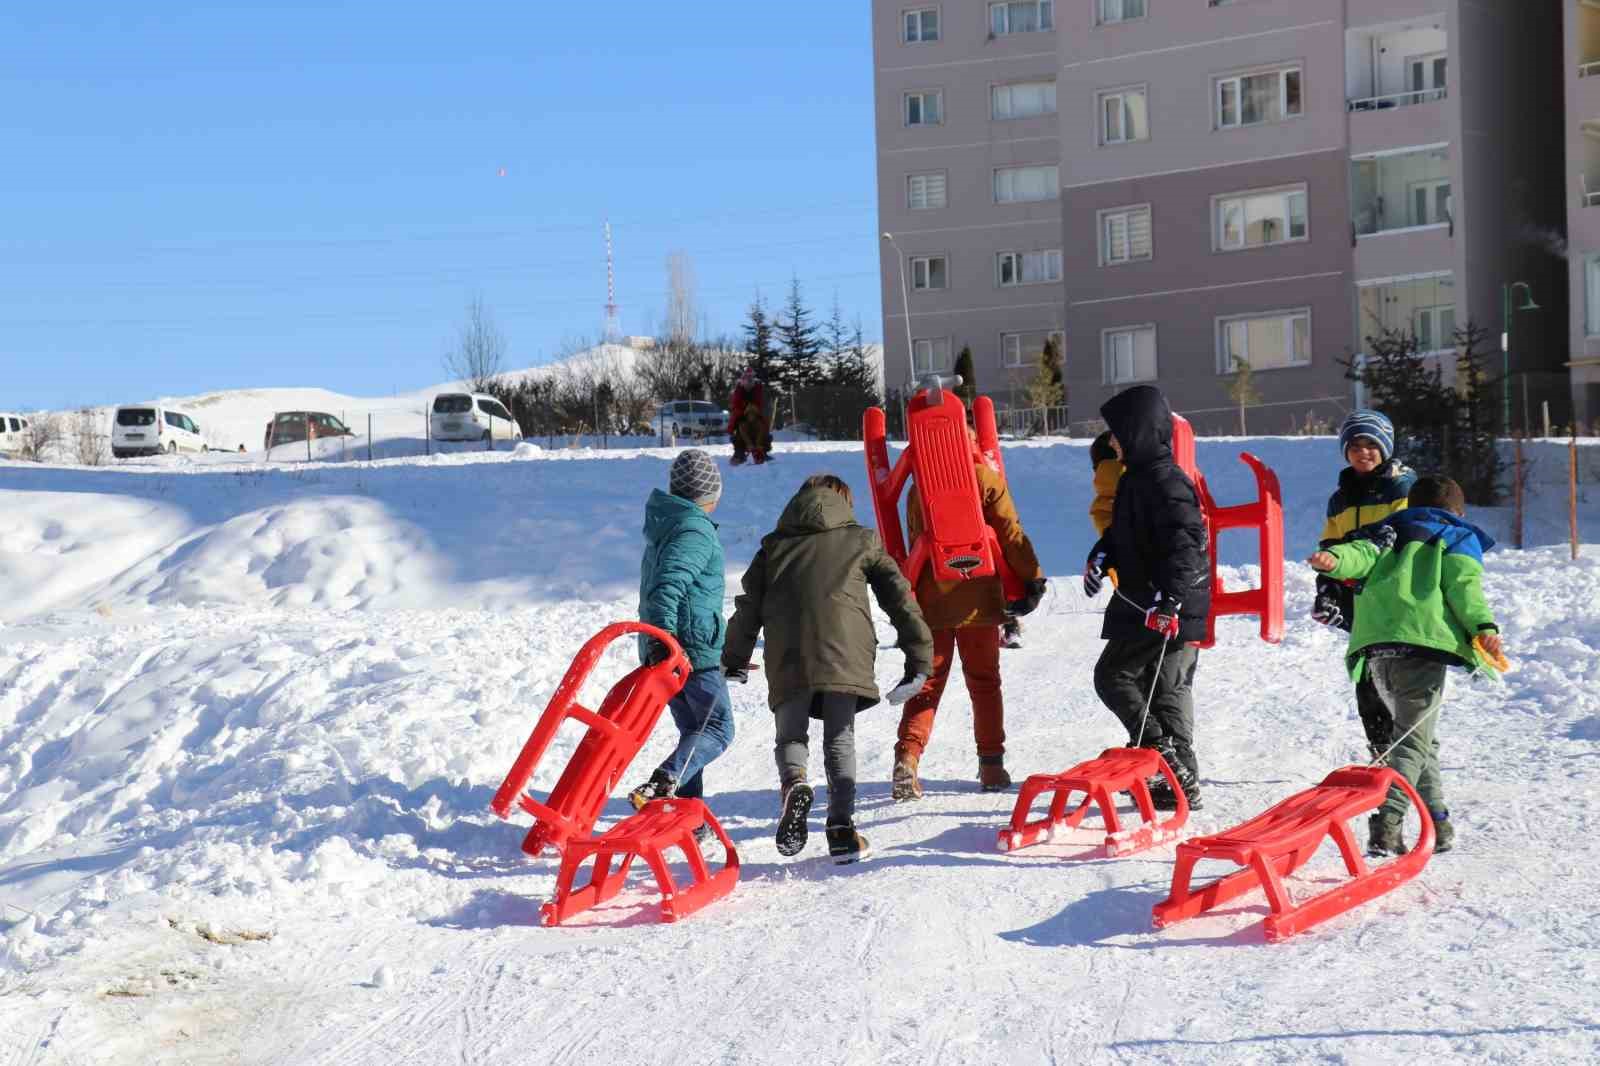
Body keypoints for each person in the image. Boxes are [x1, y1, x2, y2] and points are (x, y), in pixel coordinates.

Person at [723, 474, 933, 864]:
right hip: (845, 652)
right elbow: (900, 599)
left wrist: (734, 660)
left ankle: (795, 783)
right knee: (840, 740)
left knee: (791, 737)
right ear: (844, 503)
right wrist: (918, 658)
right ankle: (841, 829)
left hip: (788, 656)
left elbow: (748, 605)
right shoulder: (861, 540)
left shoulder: (773, 547)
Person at [1308, 475, 1502, 857]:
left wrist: (1333, 560)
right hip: (1422, 648)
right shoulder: (1455, 537)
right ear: (1458, 512)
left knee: (1420, 738)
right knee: (1412, 741)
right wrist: (1484, 628)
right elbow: (1464, 589)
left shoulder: (1387, 532)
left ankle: (1438, 821)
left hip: (1377, 650)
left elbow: (1358, 553)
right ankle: (1388, 823)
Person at [893, 425, 1047, 800]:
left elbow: (913, 539)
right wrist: (1032, 578)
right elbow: (1011, 532)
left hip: (933, 602)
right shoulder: (984, 478)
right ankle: (992, 766)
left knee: (928, 684)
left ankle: (908, 758)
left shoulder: (919, 489)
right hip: (980, 600)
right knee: (984, 684)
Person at [1082, 385, 1210, 811]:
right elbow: (1125, 535)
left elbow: (1186, 544)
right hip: (1145, 599)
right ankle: (1175, 785)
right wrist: (1102, 554)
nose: (1112, 441)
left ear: (1136, 431)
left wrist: (1169, 599)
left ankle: (1160, 755)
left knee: (1114, 677)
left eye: (1117, 433)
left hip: (1161, 602)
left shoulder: (1166, 480)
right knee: (1158, 690)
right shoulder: (1136, 479)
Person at [626, 450, 734, 839]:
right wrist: (666, 645)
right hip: (689, 652)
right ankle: (664, 782)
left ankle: (691, 824)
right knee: (718, 729)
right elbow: (666, 588)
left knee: (694, 734)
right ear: (709, 492)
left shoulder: (670, 526)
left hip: (675, 648)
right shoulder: (693, 529)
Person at [1311, 410, 1417, 762]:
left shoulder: (1403, 487)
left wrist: (1355, 543)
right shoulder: (1340, 497)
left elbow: (1400, 536)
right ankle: (1381, 749)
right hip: (1358, 598)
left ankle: (1410, 752)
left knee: (1397, 677)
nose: (1363, 452)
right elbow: (1330, 546)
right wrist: (1327, 587)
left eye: (1371, 444)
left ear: (1385, 447)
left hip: (1395, 595)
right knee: (1365, 675)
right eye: (1355, 445)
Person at [728, 368, 772, 466]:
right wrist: (744, 410)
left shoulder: (759, 389)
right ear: (742, 380)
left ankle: (762, 452)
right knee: (740, 431)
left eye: (750, 378)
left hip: (756, 415)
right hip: (743, 417)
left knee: (763, 430)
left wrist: (755, 410)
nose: (748, 380)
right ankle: (740, 453)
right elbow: (735, 406)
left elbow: (763, 404)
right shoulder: (738, 391)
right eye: (746, 378)